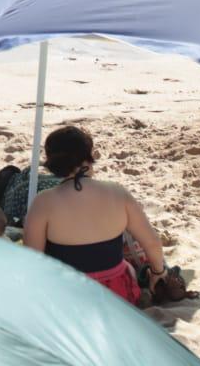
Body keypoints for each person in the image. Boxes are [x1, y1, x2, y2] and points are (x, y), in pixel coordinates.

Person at [23, 125, 167, 305]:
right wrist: (158, 273)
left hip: (69, 296)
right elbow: (152, 243)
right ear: (89, 156)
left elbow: (32, 261)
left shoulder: (43, 202)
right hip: (118, 295)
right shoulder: (117, 193)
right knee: (127, 268)